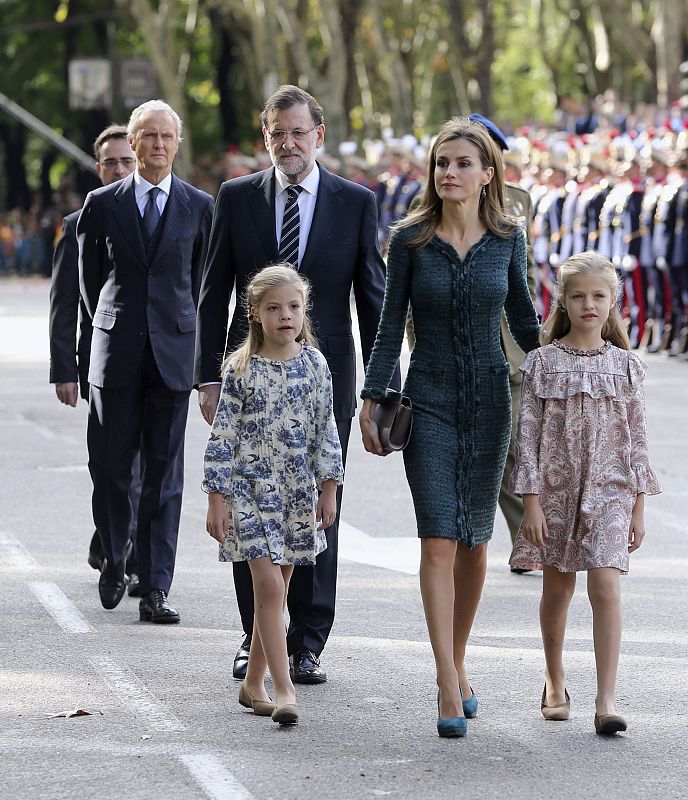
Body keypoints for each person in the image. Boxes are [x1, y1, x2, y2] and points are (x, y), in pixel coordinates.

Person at [194, 84, 393, 683]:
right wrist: (209, 376)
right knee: (249, 505)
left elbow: (373, 298)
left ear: (319, 136)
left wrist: (381, 386)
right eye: (277, 134)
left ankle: (305, 640)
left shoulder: (355, 202)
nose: (287, 143)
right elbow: (213, 292)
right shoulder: (236, 197)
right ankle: (256, 636)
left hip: (321, 378)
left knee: (317, 505)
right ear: (266, 138)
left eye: (298, 133)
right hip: (249, 376)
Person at [359, 116, 540, 738]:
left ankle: (460, 660)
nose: (450, 173)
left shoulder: (508, 238)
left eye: (463, 163)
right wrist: (371, 394)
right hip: (429, 396)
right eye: (443, 163)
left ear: (488, 174)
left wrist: (570, 362)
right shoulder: (409, 239)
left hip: (492, 398)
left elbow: (524, 317)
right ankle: (443, 679)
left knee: (475, 540)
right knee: (438, 538)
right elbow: (388, 327)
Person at [509, 251, 660, 735]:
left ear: (613, 301)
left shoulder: (627, 366)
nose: (589, 305)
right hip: (554, 493)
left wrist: (638, 506)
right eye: (578, 296)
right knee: (558, 587)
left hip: (612, 491)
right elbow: (526, 436)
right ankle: (555, 680)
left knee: (606, 585)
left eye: (598, 296)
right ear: (563, 302)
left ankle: (606, 697)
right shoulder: (542, 364)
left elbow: (637, 439)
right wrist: (529, 500)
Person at [78, 100, 214, 621]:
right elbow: (91, 282)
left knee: (165, 473)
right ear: (131, 144)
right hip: (116, 354)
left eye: (167, 137)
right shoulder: (102, 203)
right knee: (113, 468)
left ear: (178, 144)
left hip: (173, 354)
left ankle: (156, 585)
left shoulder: (200, 206)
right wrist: (112, 324)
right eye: (148, 136)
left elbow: (201, 283)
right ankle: (115, 556)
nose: (158, 145)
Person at [204, 265, 344, 726]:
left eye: (294, 307)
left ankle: (252, 682)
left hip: (296, 492)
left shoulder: (316, 366)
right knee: (267, 587)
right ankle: (283, 690)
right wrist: (216, 498)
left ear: (304, 311)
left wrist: (329, 488)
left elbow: (327, 428)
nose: (285, 316)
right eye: (274, 308)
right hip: (249, 491)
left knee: (278, 591)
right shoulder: (240, 369)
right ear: (256, 314)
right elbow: (222, 436)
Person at [49, 124, 143, 594]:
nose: (121, 169)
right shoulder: (79, 221)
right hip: (101, 362)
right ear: (98, 167)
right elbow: (65, 302)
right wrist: (65, 369)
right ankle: (111, 537)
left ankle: (131, 551)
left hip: (153, 361)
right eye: (112, 163)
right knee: (112, 463)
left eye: (128, 160)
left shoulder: (159, 214)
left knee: (146, 465)